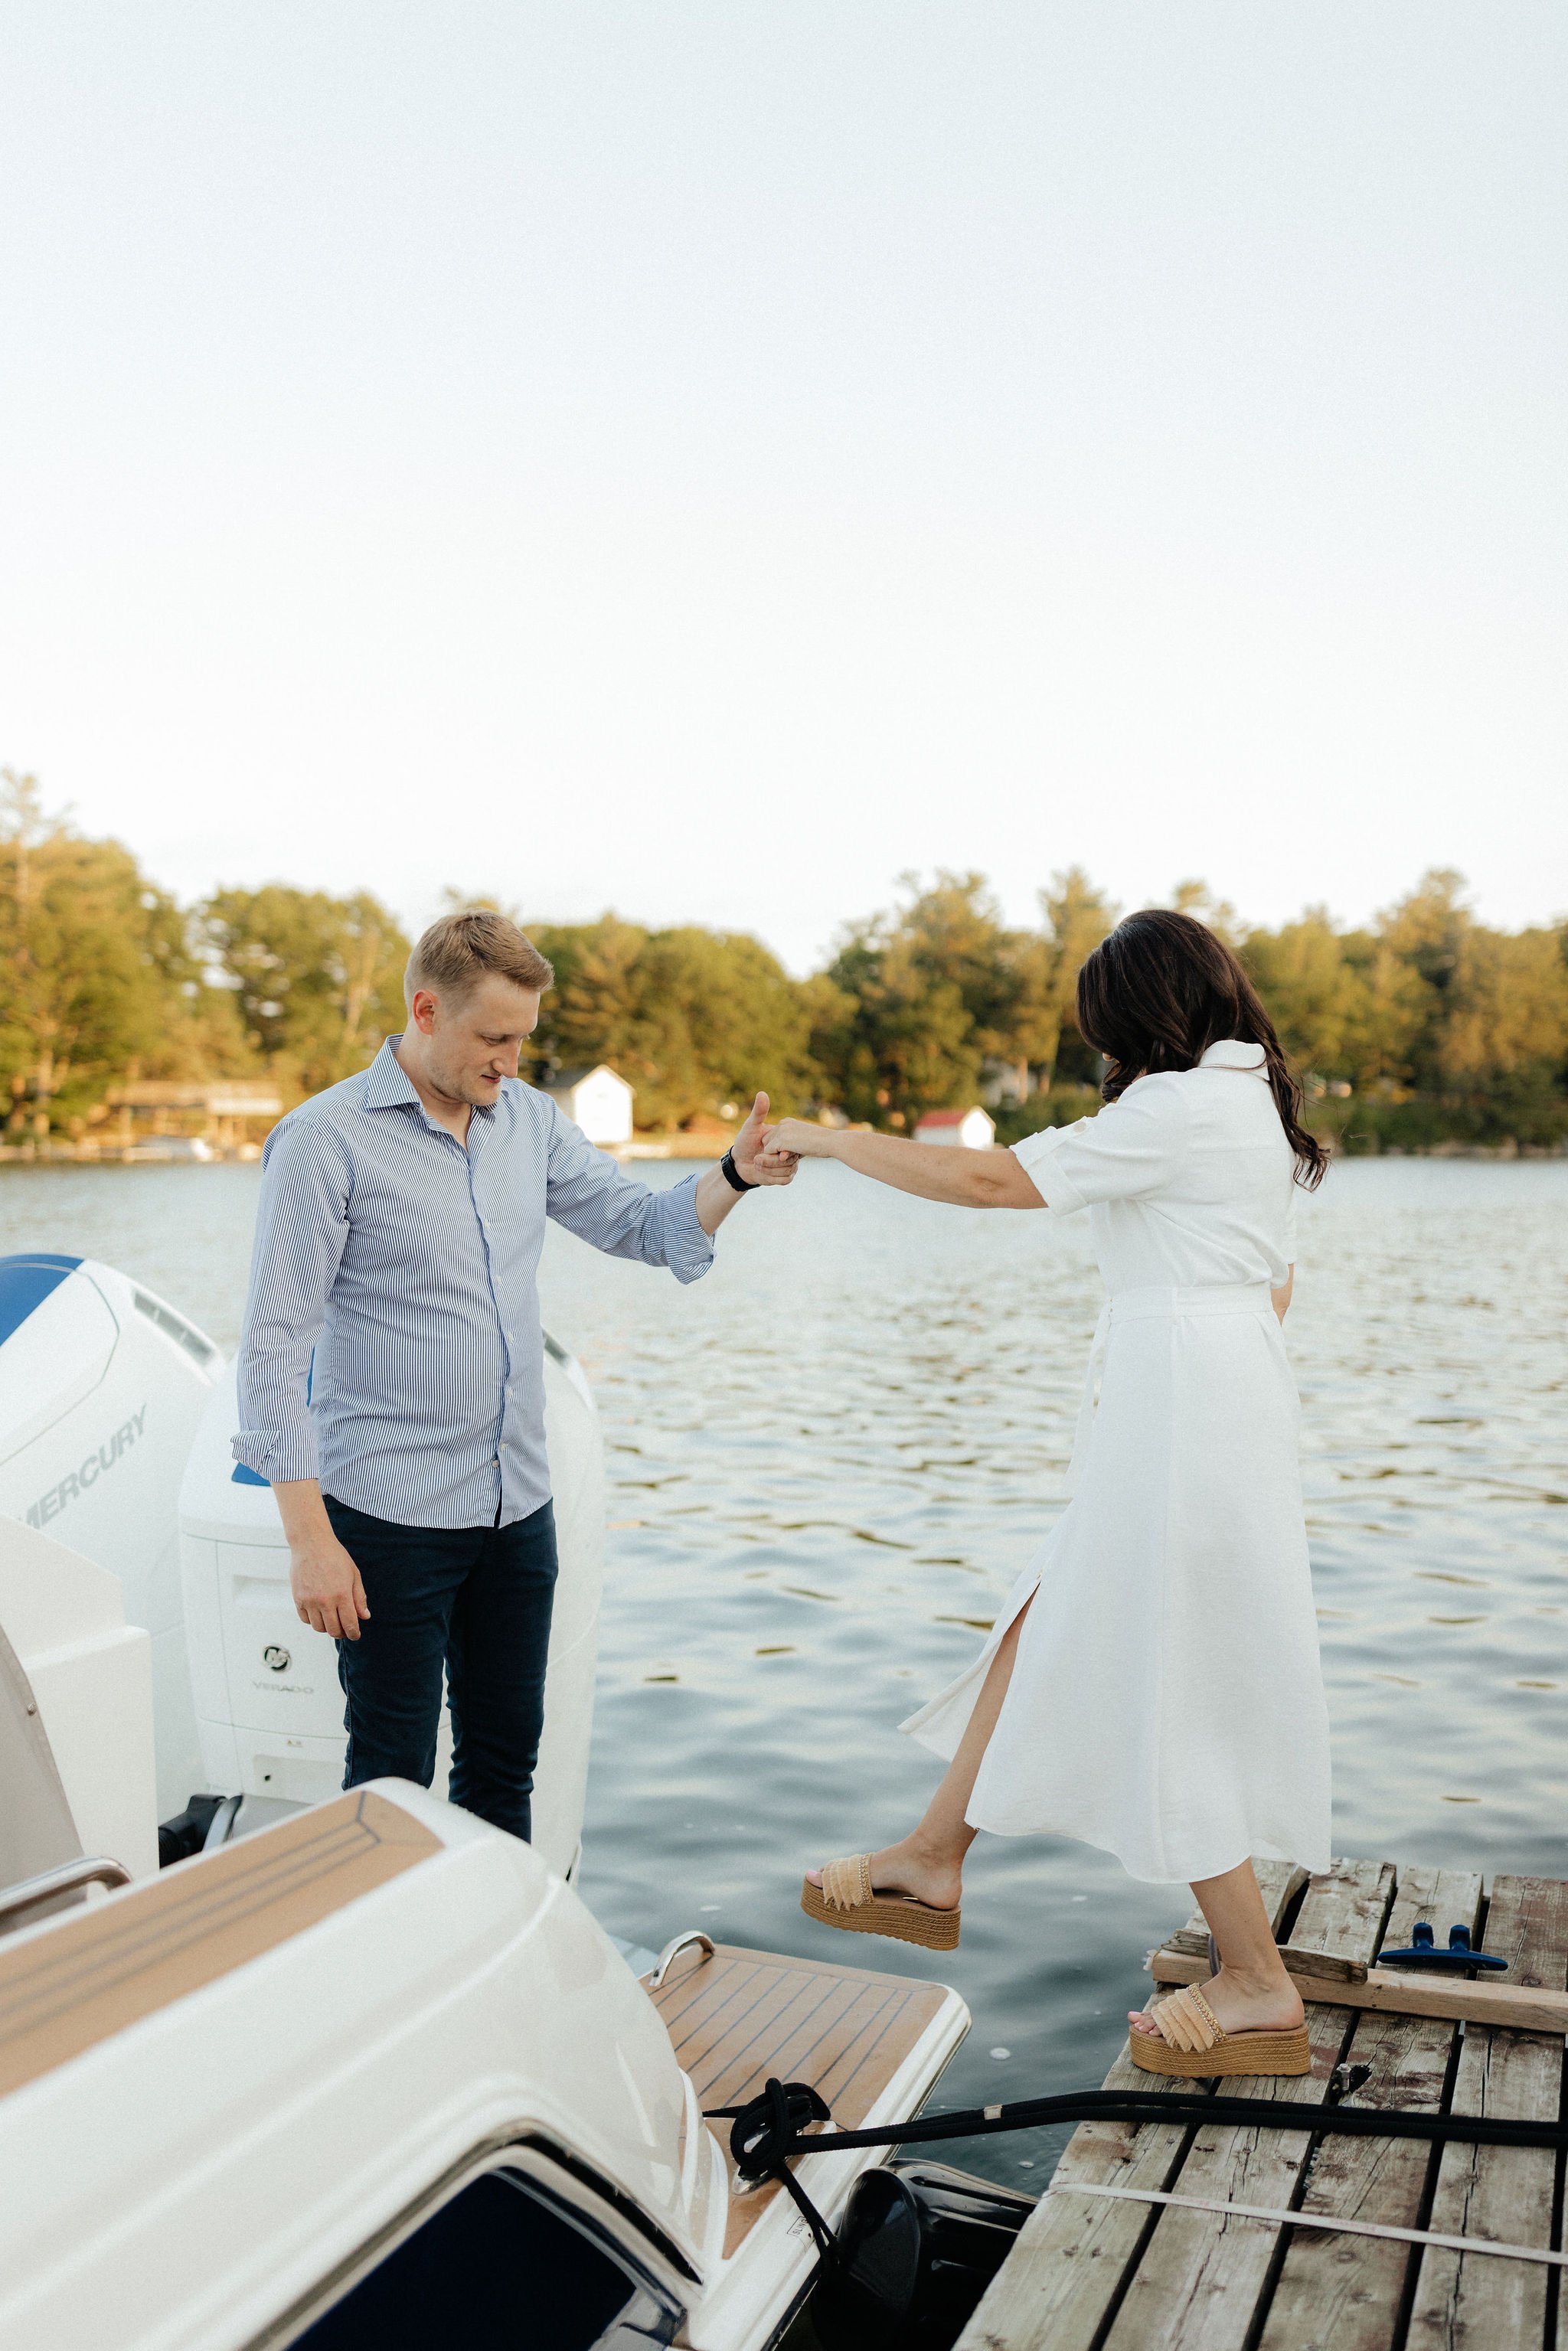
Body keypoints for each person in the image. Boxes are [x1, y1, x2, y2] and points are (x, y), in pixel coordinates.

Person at [760, 909, 1331, 2079]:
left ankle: (1258, 1982)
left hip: (1181, 1410)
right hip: (1199, 1398)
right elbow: (1273, 1288)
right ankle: (933, 1855)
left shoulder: (1176, 1110)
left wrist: (831, 1137)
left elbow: (987, 1177)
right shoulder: (1247, 1103)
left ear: (1138, 1020)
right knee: (1050, 1607)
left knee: (1161, 1669)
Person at [234, 909, 795, 1842]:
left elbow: (642, 1224)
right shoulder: (321, 1141)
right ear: (424, 1009)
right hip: (387, 1518)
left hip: (511, 1510)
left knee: (503, 1767)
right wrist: (308, 1539)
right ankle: (385, 1972)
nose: (513, 1061)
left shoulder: (527, 1121)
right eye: (495, 1037)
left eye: (525, 1039)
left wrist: (732, 1172)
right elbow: (271, 1349)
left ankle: (493, 1966)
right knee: (387, 1783)